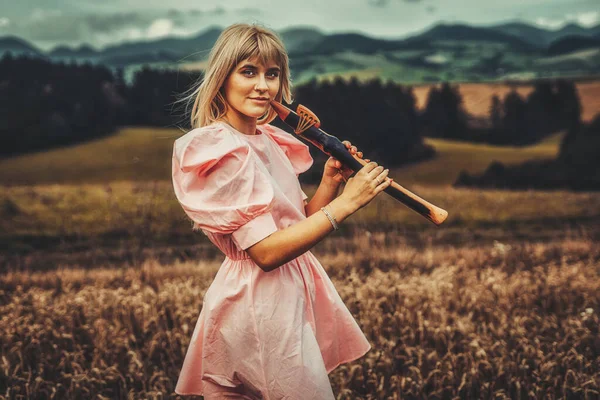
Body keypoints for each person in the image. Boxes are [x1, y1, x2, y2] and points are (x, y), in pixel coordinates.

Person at [172, 23, 393, 399]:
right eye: (249, 72)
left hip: (285, 299)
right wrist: (348, 203)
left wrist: (330, 183)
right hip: (258, 306)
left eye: (272, 74)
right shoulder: (222, 150)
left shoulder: (267, 139)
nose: (263, 85)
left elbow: (295, 227)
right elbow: (267, 252)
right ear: (223, 77)